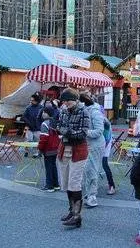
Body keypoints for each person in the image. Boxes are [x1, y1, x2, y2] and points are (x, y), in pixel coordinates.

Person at [56, 88, 89, 228]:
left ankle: (77, 216)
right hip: (65, 150)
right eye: (64, 100)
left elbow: (83, 133)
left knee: (75, 183)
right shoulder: (63, 111)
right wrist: (65, 132)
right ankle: (71, 211)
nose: (66, 103)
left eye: (68, 100)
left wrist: (67, 132)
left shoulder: (83, 111)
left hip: (78, 151)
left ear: (75, 100)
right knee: (66, 183)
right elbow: (58, 126)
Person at [80, 92, 105, 208]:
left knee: (92, 169)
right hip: (87, 144)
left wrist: (84, 132)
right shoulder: (85, 111)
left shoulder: (95, 112)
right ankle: (88, 194)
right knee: (87, 169)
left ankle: (92, 196)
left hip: (96, 145)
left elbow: (99, 131)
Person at [38, 106, 60, 192]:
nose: (43, 114)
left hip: (48, 149)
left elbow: (43, 138)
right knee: (53, 166)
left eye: (44, 112)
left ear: (48, 113)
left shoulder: (44, 124)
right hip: (55, 148)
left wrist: (40, 149)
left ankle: (49, 185)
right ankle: (56, 184)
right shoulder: (54, 122)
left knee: (48, 167)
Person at [22, 92, 44, 157]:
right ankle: (26, 152)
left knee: (37, 141)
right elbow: (23, 116)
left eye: (32, 100)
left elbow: (43, 118)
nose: (31, 101)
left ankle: (37, 153)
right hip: (30, 128)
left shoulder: (41, 108)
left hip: (38, 128)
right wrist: (28, 123)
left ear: (37, 101)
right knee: (28, 140)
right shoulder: (28, 108)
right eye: (31, 100)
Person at [102, 116, 116, 195]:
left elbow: (107, 139)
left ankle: (112, 186)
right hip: (97, 144)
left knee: (104, 164)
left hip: (105, 144)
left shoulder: (105, 123)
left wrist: (101, 149)